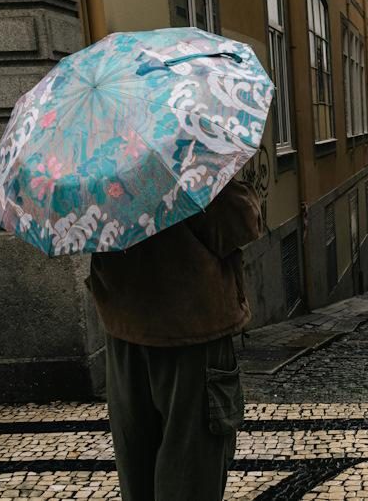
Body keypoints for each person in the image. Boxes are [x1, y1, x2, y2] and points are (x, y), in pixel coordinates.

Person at [88, 177, 264, 501]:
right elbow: (239, 221)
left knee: (138, 472)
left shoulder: (93, 164)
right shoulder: (182, 153)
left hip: (124, 331)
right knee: (191, 475)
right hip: (191, 333)